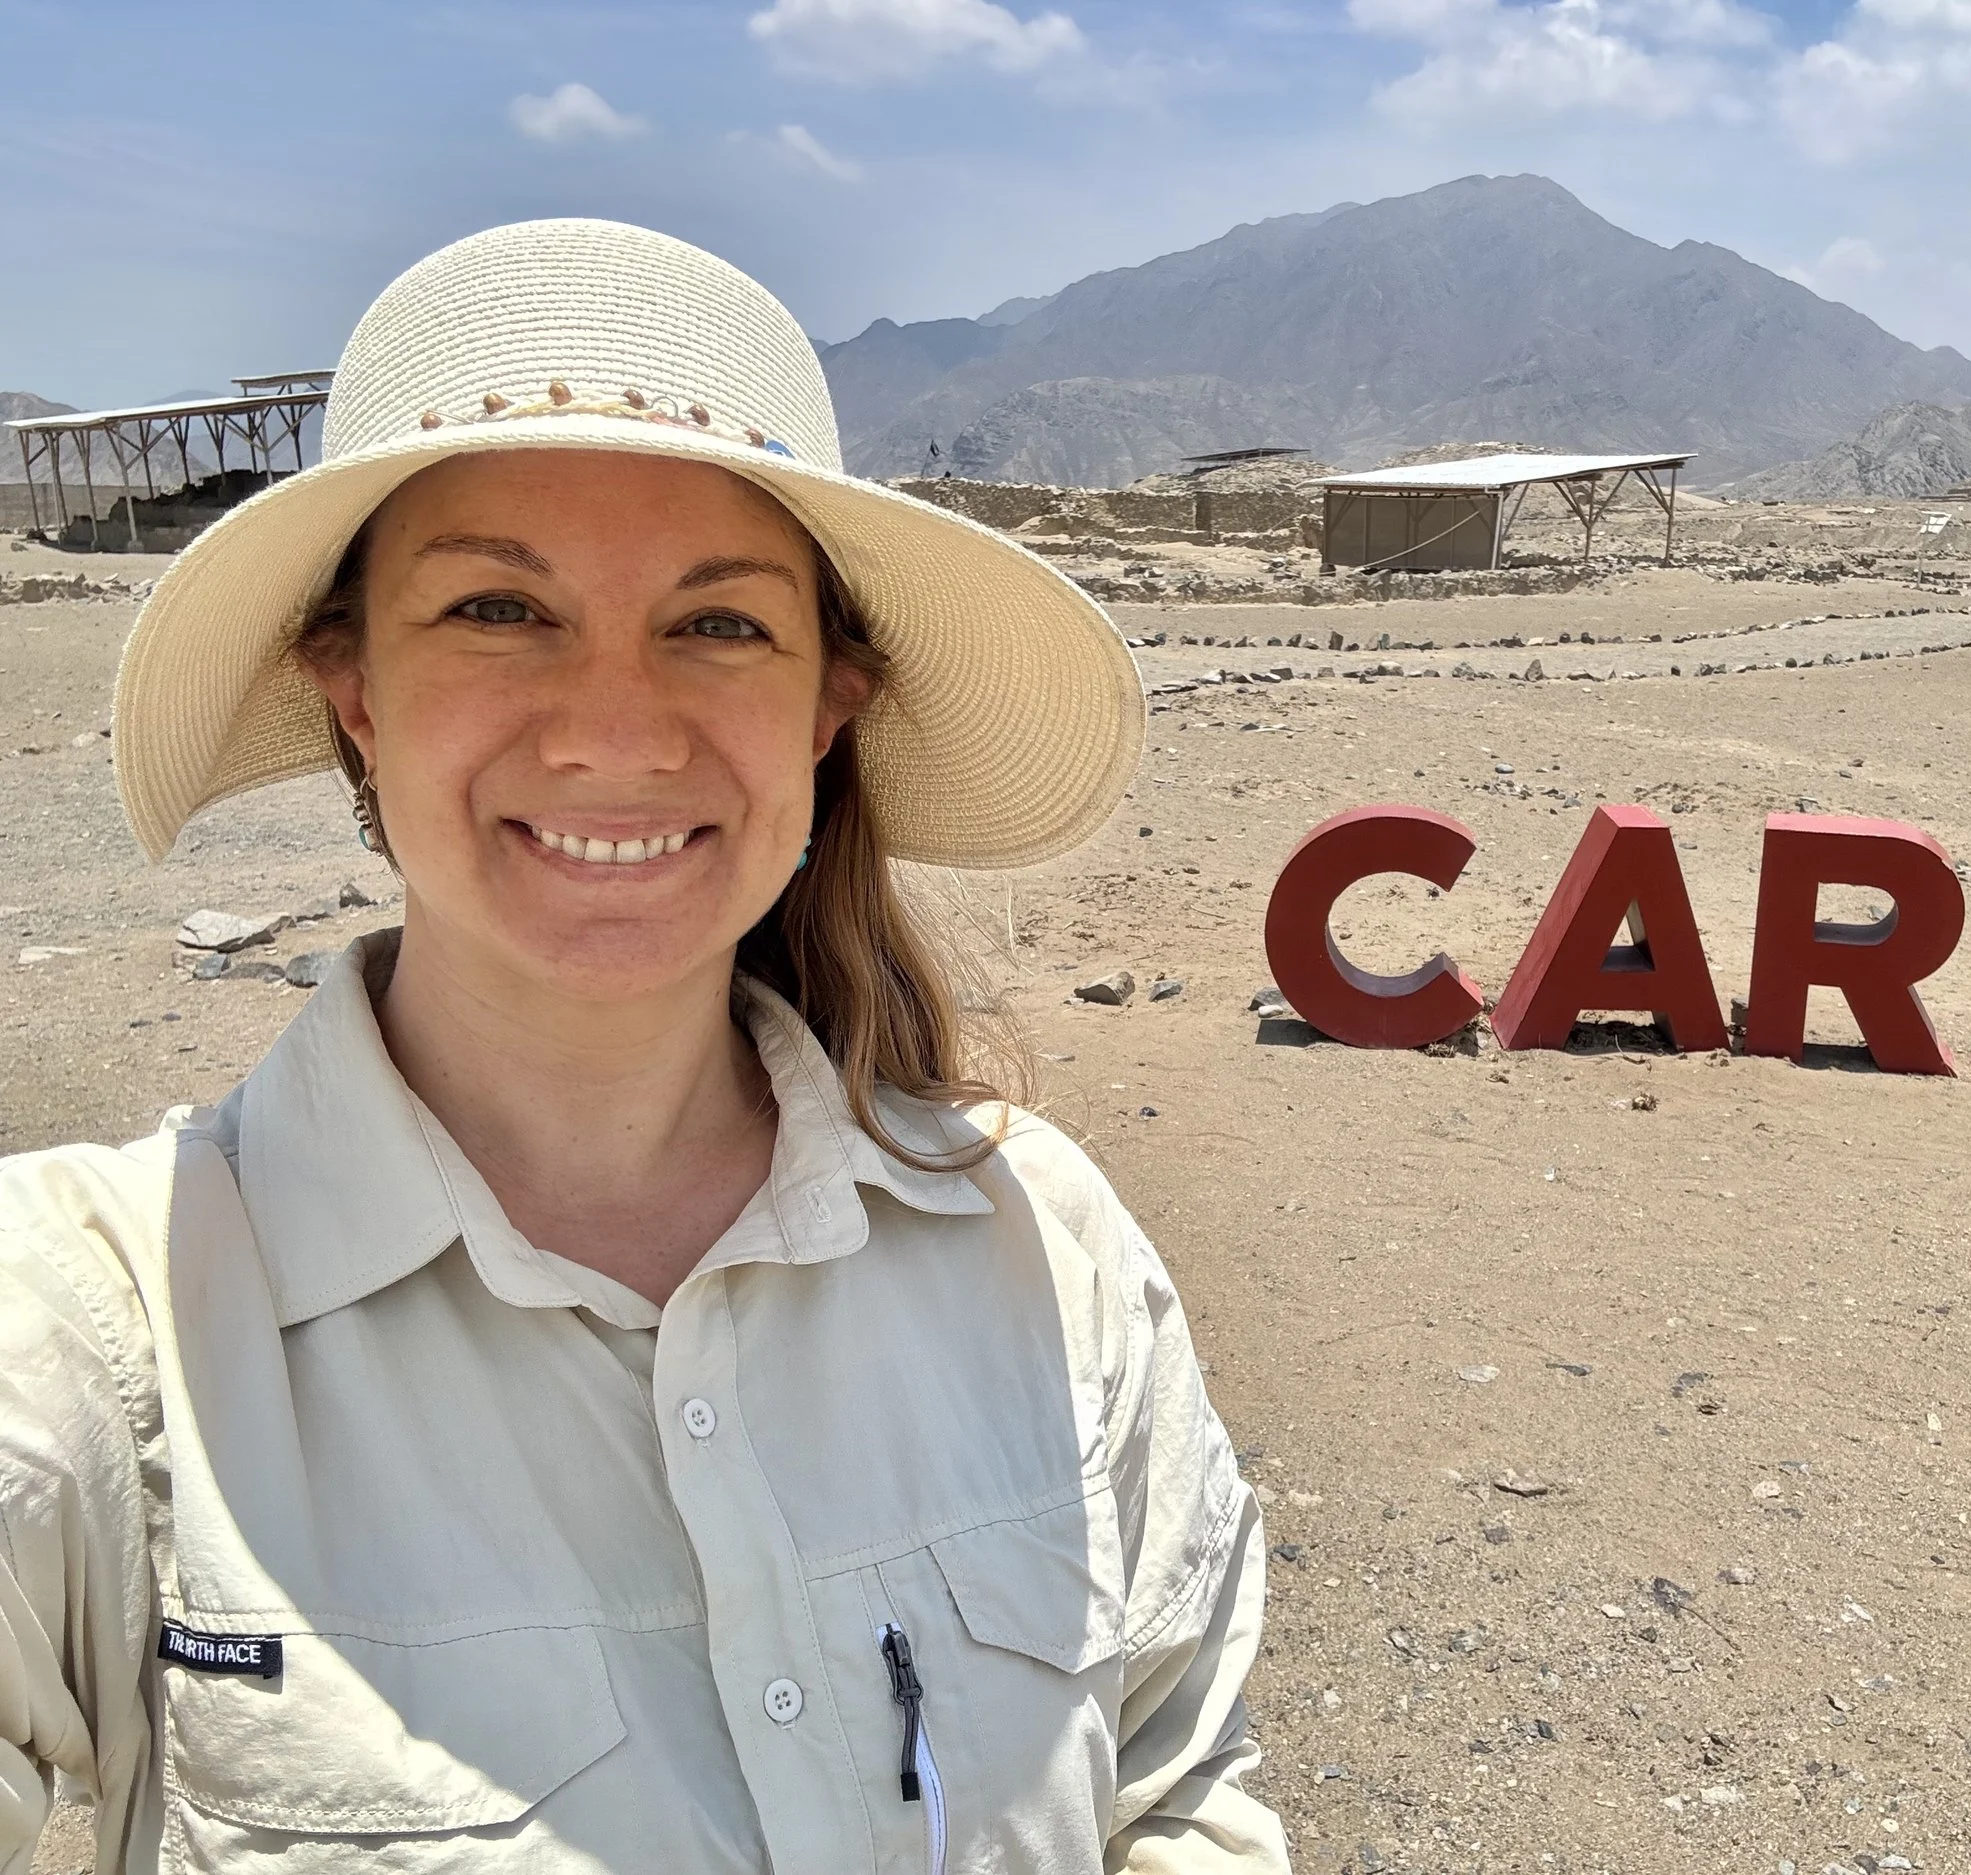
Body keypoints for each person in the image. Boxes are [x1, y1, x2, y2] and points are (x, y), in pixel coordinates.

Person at [0, 220, 1288, 1874]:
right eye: (495, 606)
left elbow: (1178, 1787)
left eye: (721, 624)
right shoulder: (90, 1340)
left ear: (828, 706)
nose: (613, 728)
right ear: (355, 696)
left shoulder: (1050, 1254)